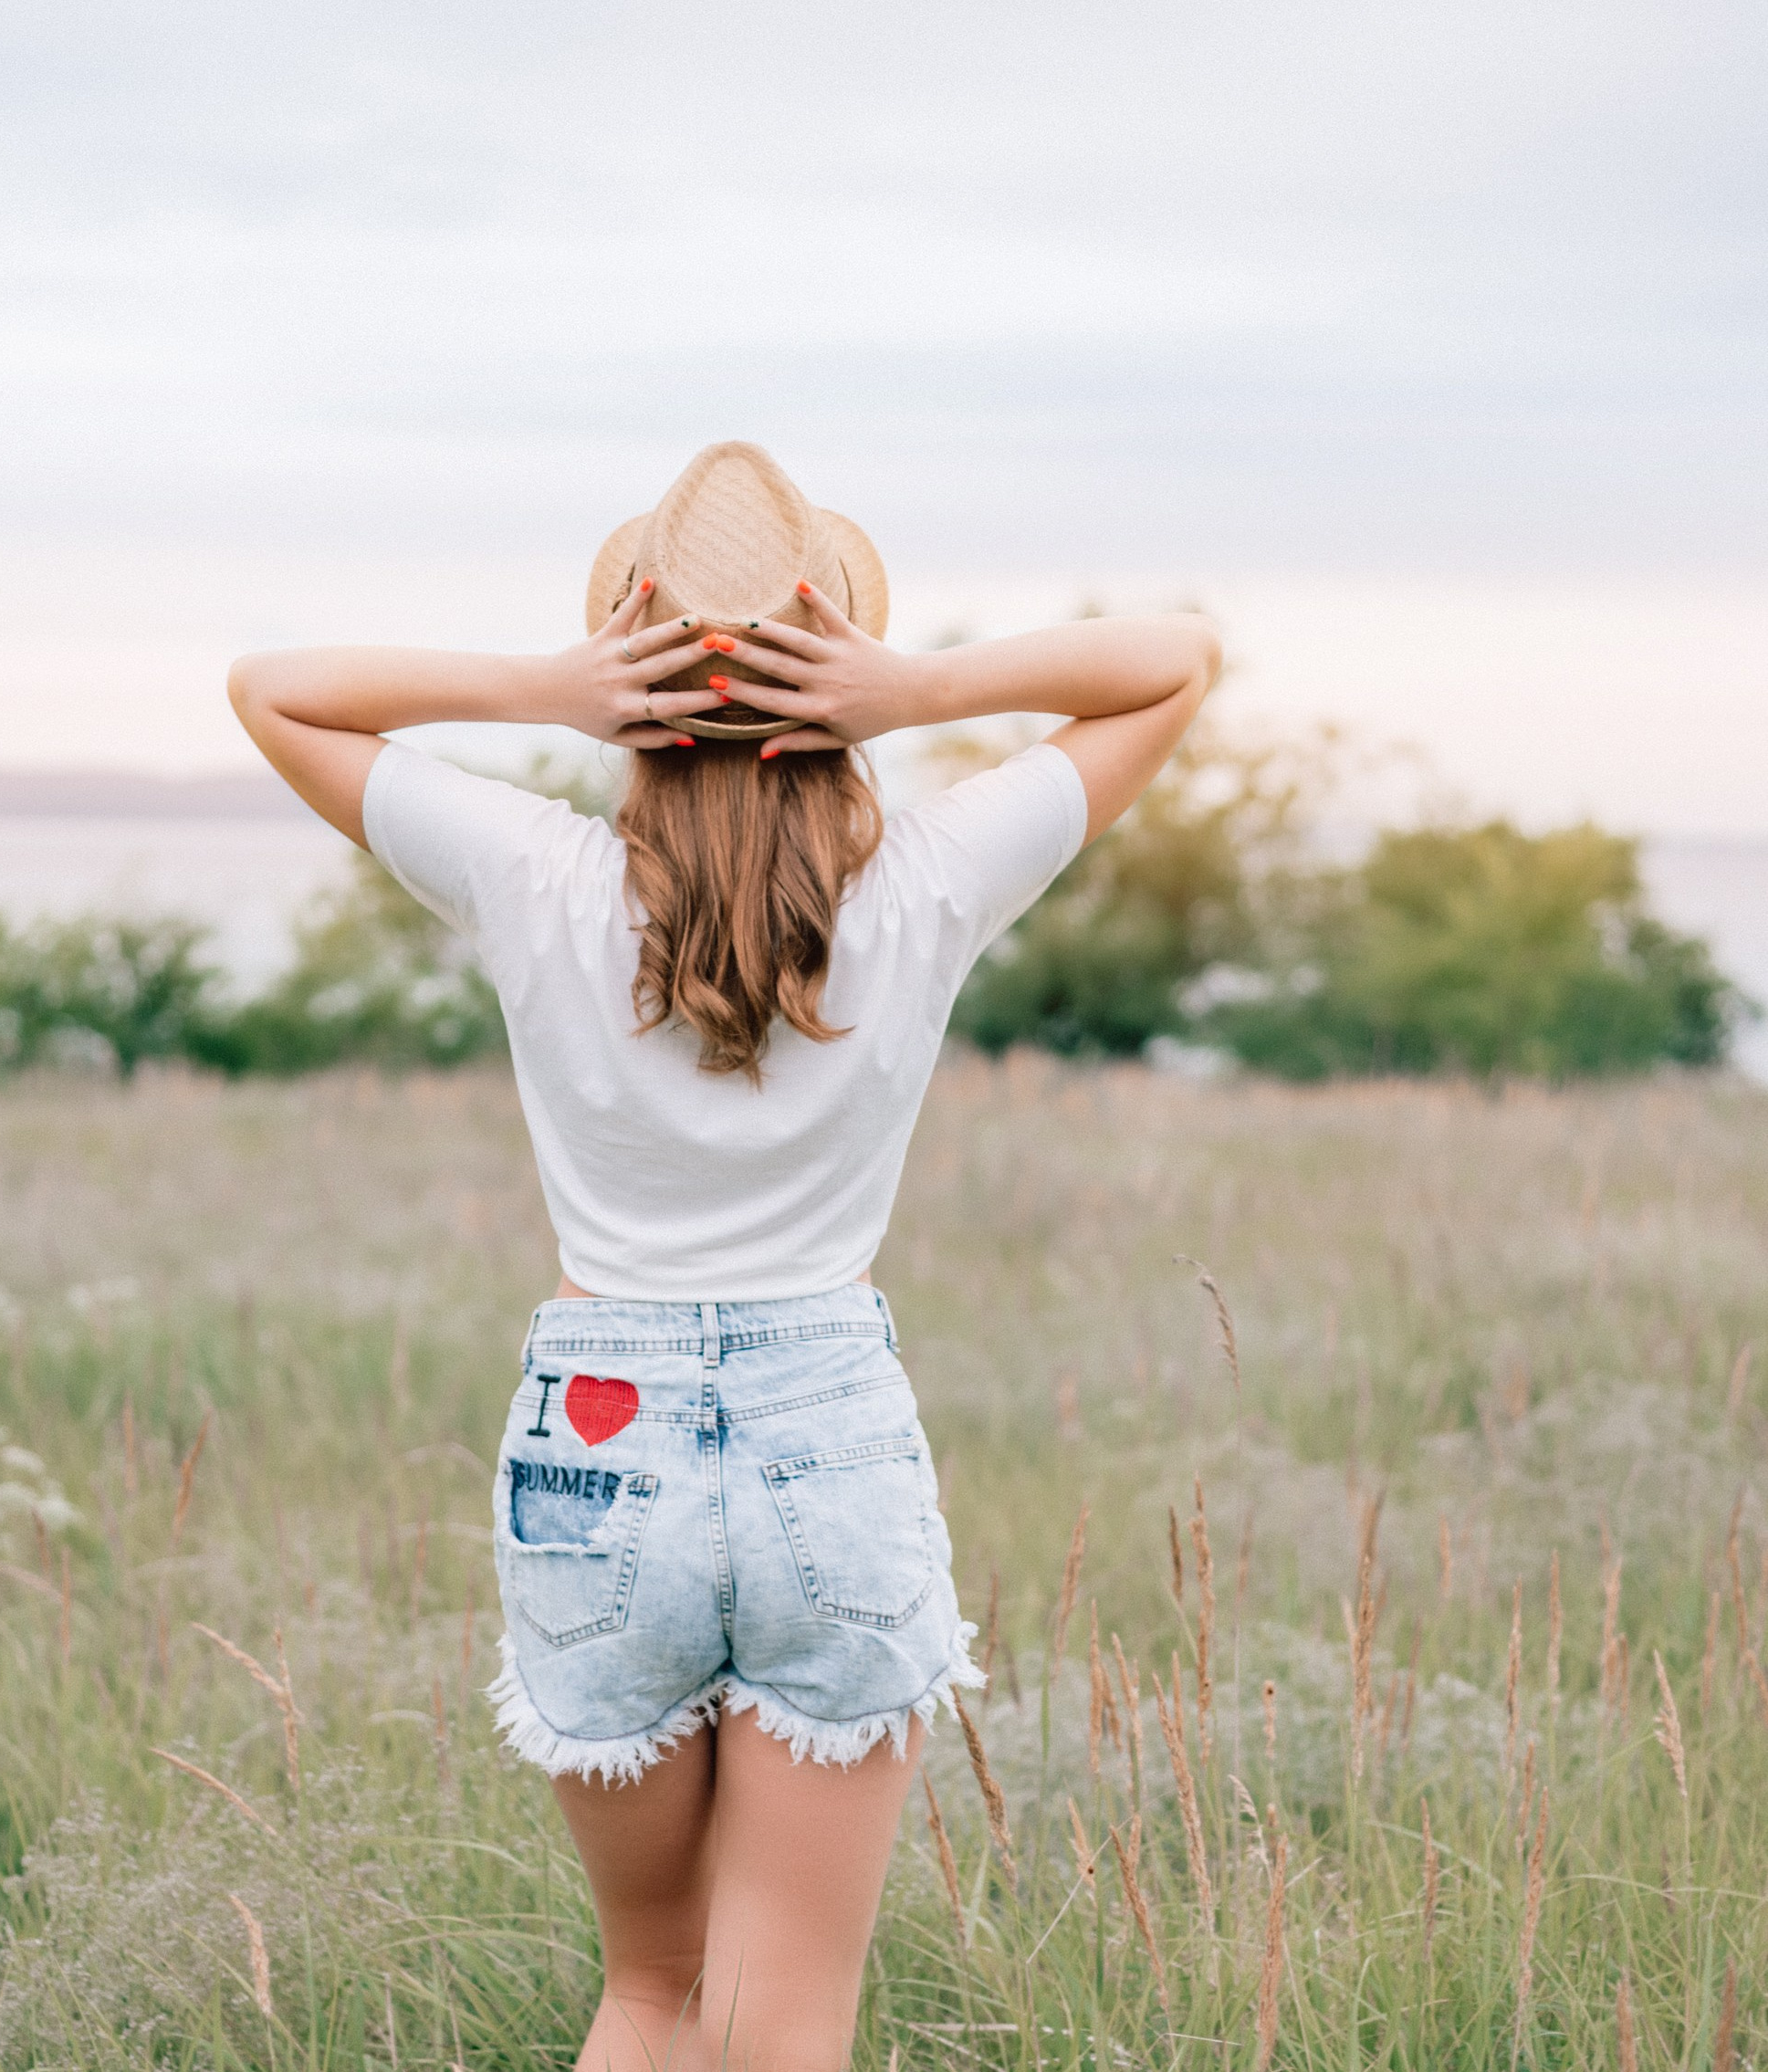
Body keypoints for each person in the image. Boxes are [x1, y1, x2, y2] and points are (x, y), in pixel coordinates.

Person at [228, 442, 1219, 2072]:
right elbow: (1174, 661)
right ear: (830, 672)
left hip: (597, 1433)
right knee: (780, 2014)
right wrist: (907, 693)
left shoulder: (532, 878)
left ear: (633, 679)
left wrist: (549, 689)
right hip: (823, 1424)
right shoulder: (925, 883)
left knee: (651, 1989)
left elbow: (274, 689)